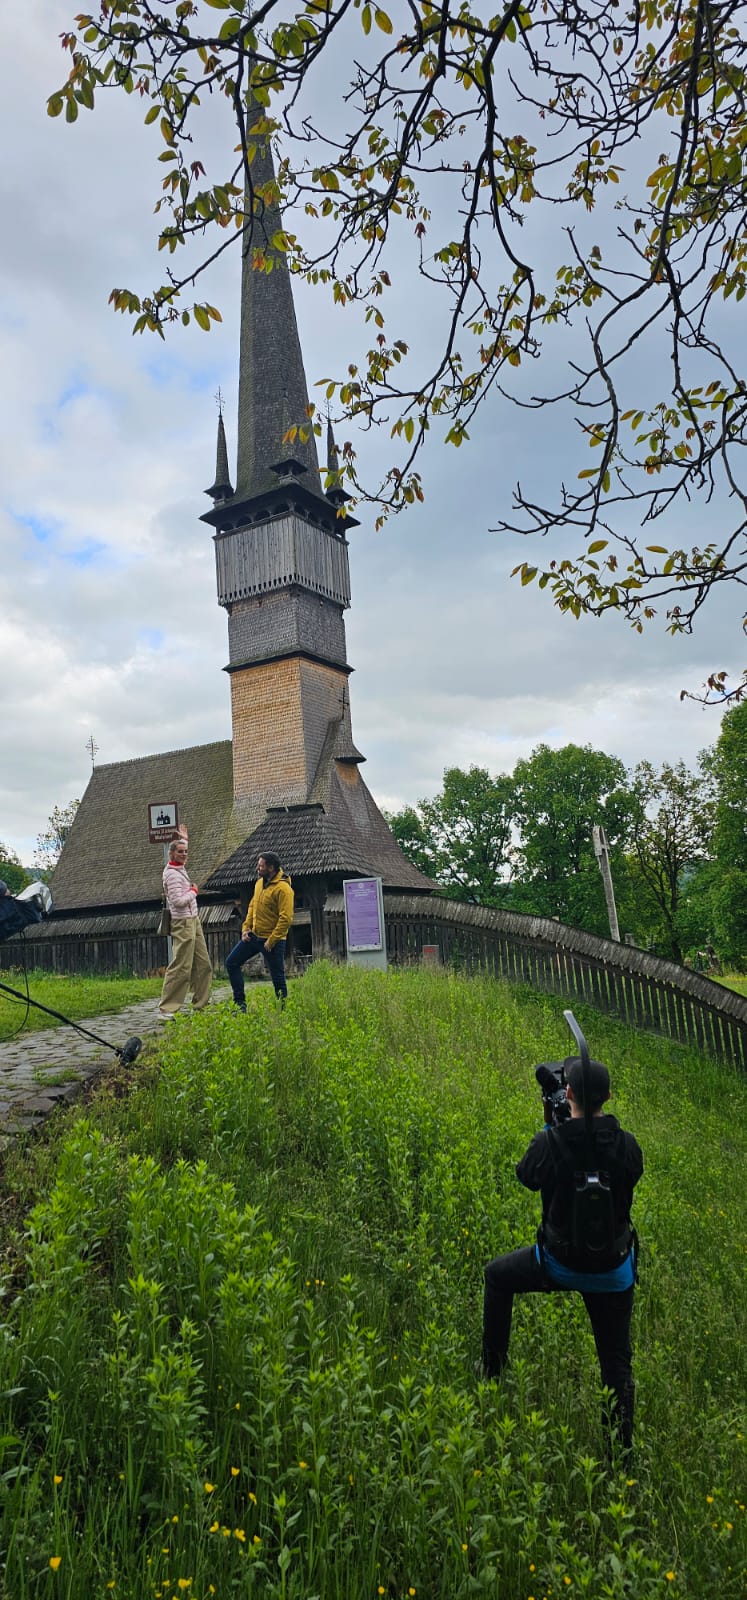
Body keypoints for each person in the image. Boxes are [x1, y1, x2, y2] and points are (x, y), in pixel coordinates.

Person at [481, 1056, 643, 1455]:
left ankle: (491, 1372)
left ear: (567, 1093)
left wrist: (550, 1128)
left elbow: (526, 1176)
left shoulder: (549, 1142)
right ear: (608, 1096)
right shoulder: (627, 1146)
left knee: (497, 1277)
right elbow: (631, 1175)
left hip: (557, 1263)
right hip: (613, 1271)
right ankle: (620, 1457)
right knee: (616, 1365)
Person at [225, 852, 294, 1009]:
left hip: (273, 941)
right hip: (253, 936)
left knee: (277, 976)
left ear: (271, 868)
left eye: (261, 865)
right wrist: (245, 928)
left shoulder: (283, 889)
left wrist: (272, 940)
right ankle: (239, 1005)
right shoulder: (258, 884)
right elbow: (252, 906)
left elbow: (286, 918)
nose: (257, 868)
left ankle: (283, 1009)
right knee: (231, 962)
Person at [159, 836, 213, 1017]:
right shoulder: (171, 874)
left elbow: (183, 849)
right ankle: (168, 1008)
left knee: (203, 964)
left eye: (185, 852)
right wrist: (193, 892)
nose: (183, 854)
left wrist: (184, 838)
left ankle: (201, 1004)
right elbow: (178, 901)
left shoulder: (179, 869)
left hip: (193, 920)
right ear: (171, 853)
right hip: (182, 922)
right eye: (179, 851)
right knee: (181, 966)